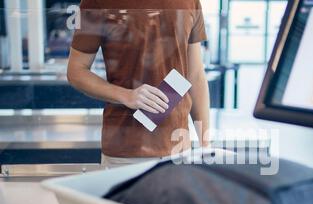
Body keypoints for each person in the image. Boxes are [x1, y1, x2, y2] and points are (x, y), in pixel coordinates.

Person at [67, 0, 210, 166]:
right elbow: (76, 71)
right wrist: (126, 95)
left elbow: (196, 75)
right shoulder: (96, 2)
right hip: (125, 152)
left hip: (180, 149)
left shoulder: (190, 2)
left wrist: (205, 144)